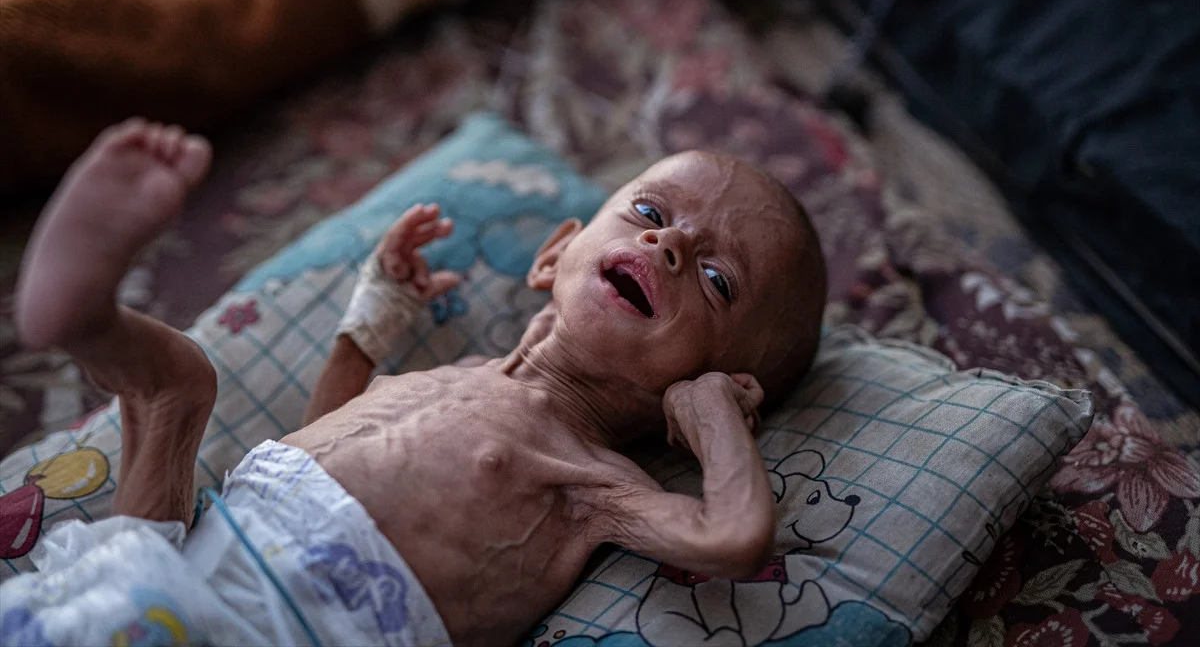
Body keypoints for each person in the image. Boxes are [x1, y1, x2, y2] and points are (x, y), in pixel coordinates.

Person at [0, 119, 826, 647]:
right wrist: (372, 320)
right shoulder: (452, 375)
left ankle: (83, 319)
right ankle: (84, 319)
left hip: (274, 633)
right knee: (180, 382)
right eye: (650, 214)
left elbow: (733, 540)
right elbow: (309, 445)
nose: (673, 245)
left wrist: (717, 417)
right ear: (552, 258)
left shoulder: (594, 481)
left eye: (718, 280)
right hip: (171, 563)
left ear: (724, 374)